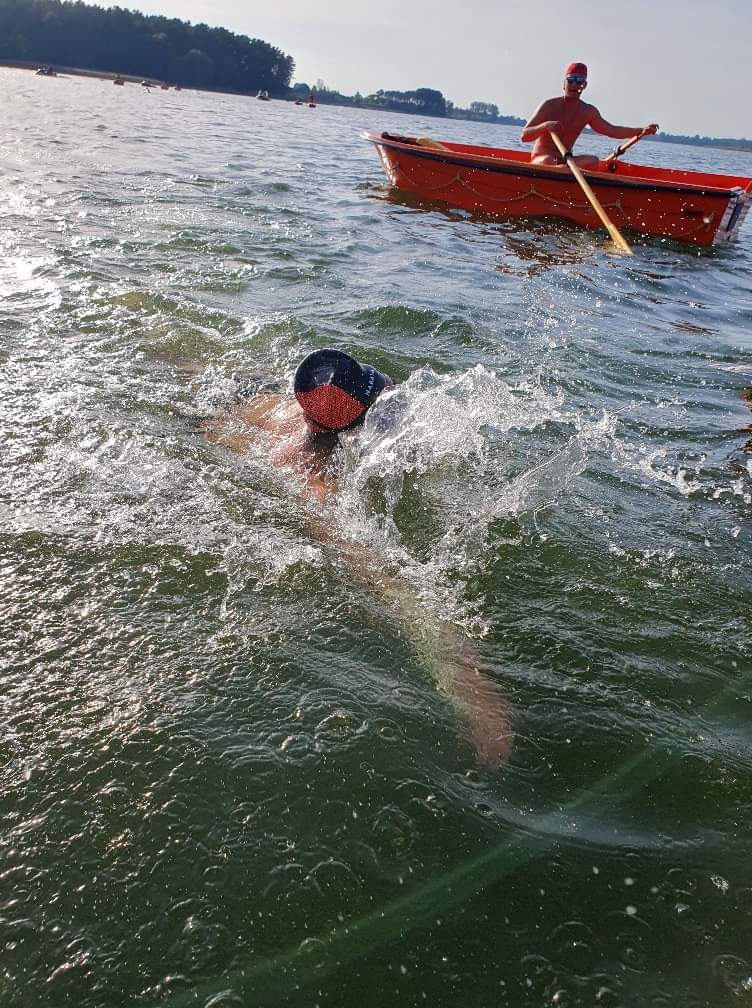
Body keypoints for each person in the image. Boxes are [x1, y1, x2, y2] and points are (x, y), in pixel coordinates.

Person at [202, 348, 513, 766]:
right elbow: (384, 580)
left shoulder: (307, 409)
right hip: (220, 423)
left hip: (248, 394)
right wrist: (474, 693)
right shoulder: (313, 479)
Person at [521, 62, 659, 169]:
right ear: (564, 84)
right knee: (549, 161)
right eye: (571, 80)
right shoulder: (549, 105)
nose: (574, 85)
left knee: (593, 161)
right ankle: (564, 172)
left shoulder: (587, 111)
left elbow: (612, 130)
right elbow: (525, 136)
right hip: (542, 160)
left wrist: (641, 131)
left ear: (584, 85)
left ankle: (566, 175)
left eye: (579, 81)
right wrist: (545, 126)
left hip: (566, 161)